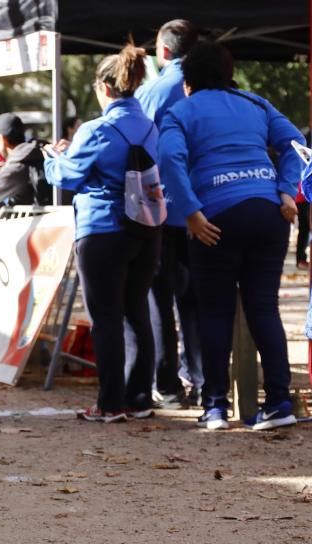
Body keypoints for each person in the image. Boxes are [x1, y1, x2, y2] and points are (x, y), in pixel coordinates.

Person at [159, 41, 303, 431]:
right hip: (268, 212)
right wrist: (286, 189)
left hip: (215, 219)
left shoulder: (180, 111)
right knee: (263, 309)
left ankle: (216, 407)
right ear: (229, 73)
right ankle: (279, 403)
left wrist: (190, 212)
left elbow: (169, 158)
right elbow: (296, 145)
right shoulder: (256, 103)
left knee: (215, 312)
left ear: (187, 83)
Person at [45, 45, 161, 423]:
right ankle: (140, 396)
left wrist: (53, 158)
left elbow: (67, 176)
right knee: (137, 313)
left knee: (106, 319)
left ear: (106, 88)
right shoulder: (150, 125)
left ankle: (110, 403)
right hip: (145, 227)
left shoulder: (96, 129)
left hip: (103, 230)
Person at [133, 18, 203, 409]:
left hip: (161, 212)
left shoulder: (154, 91)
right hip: (206, 210)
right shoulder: (215, 89)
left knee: (159, 300)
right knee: (195, 299)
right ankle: (204, 381)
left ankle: (169, 385)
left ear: (163, 51)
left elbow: (137, 148)